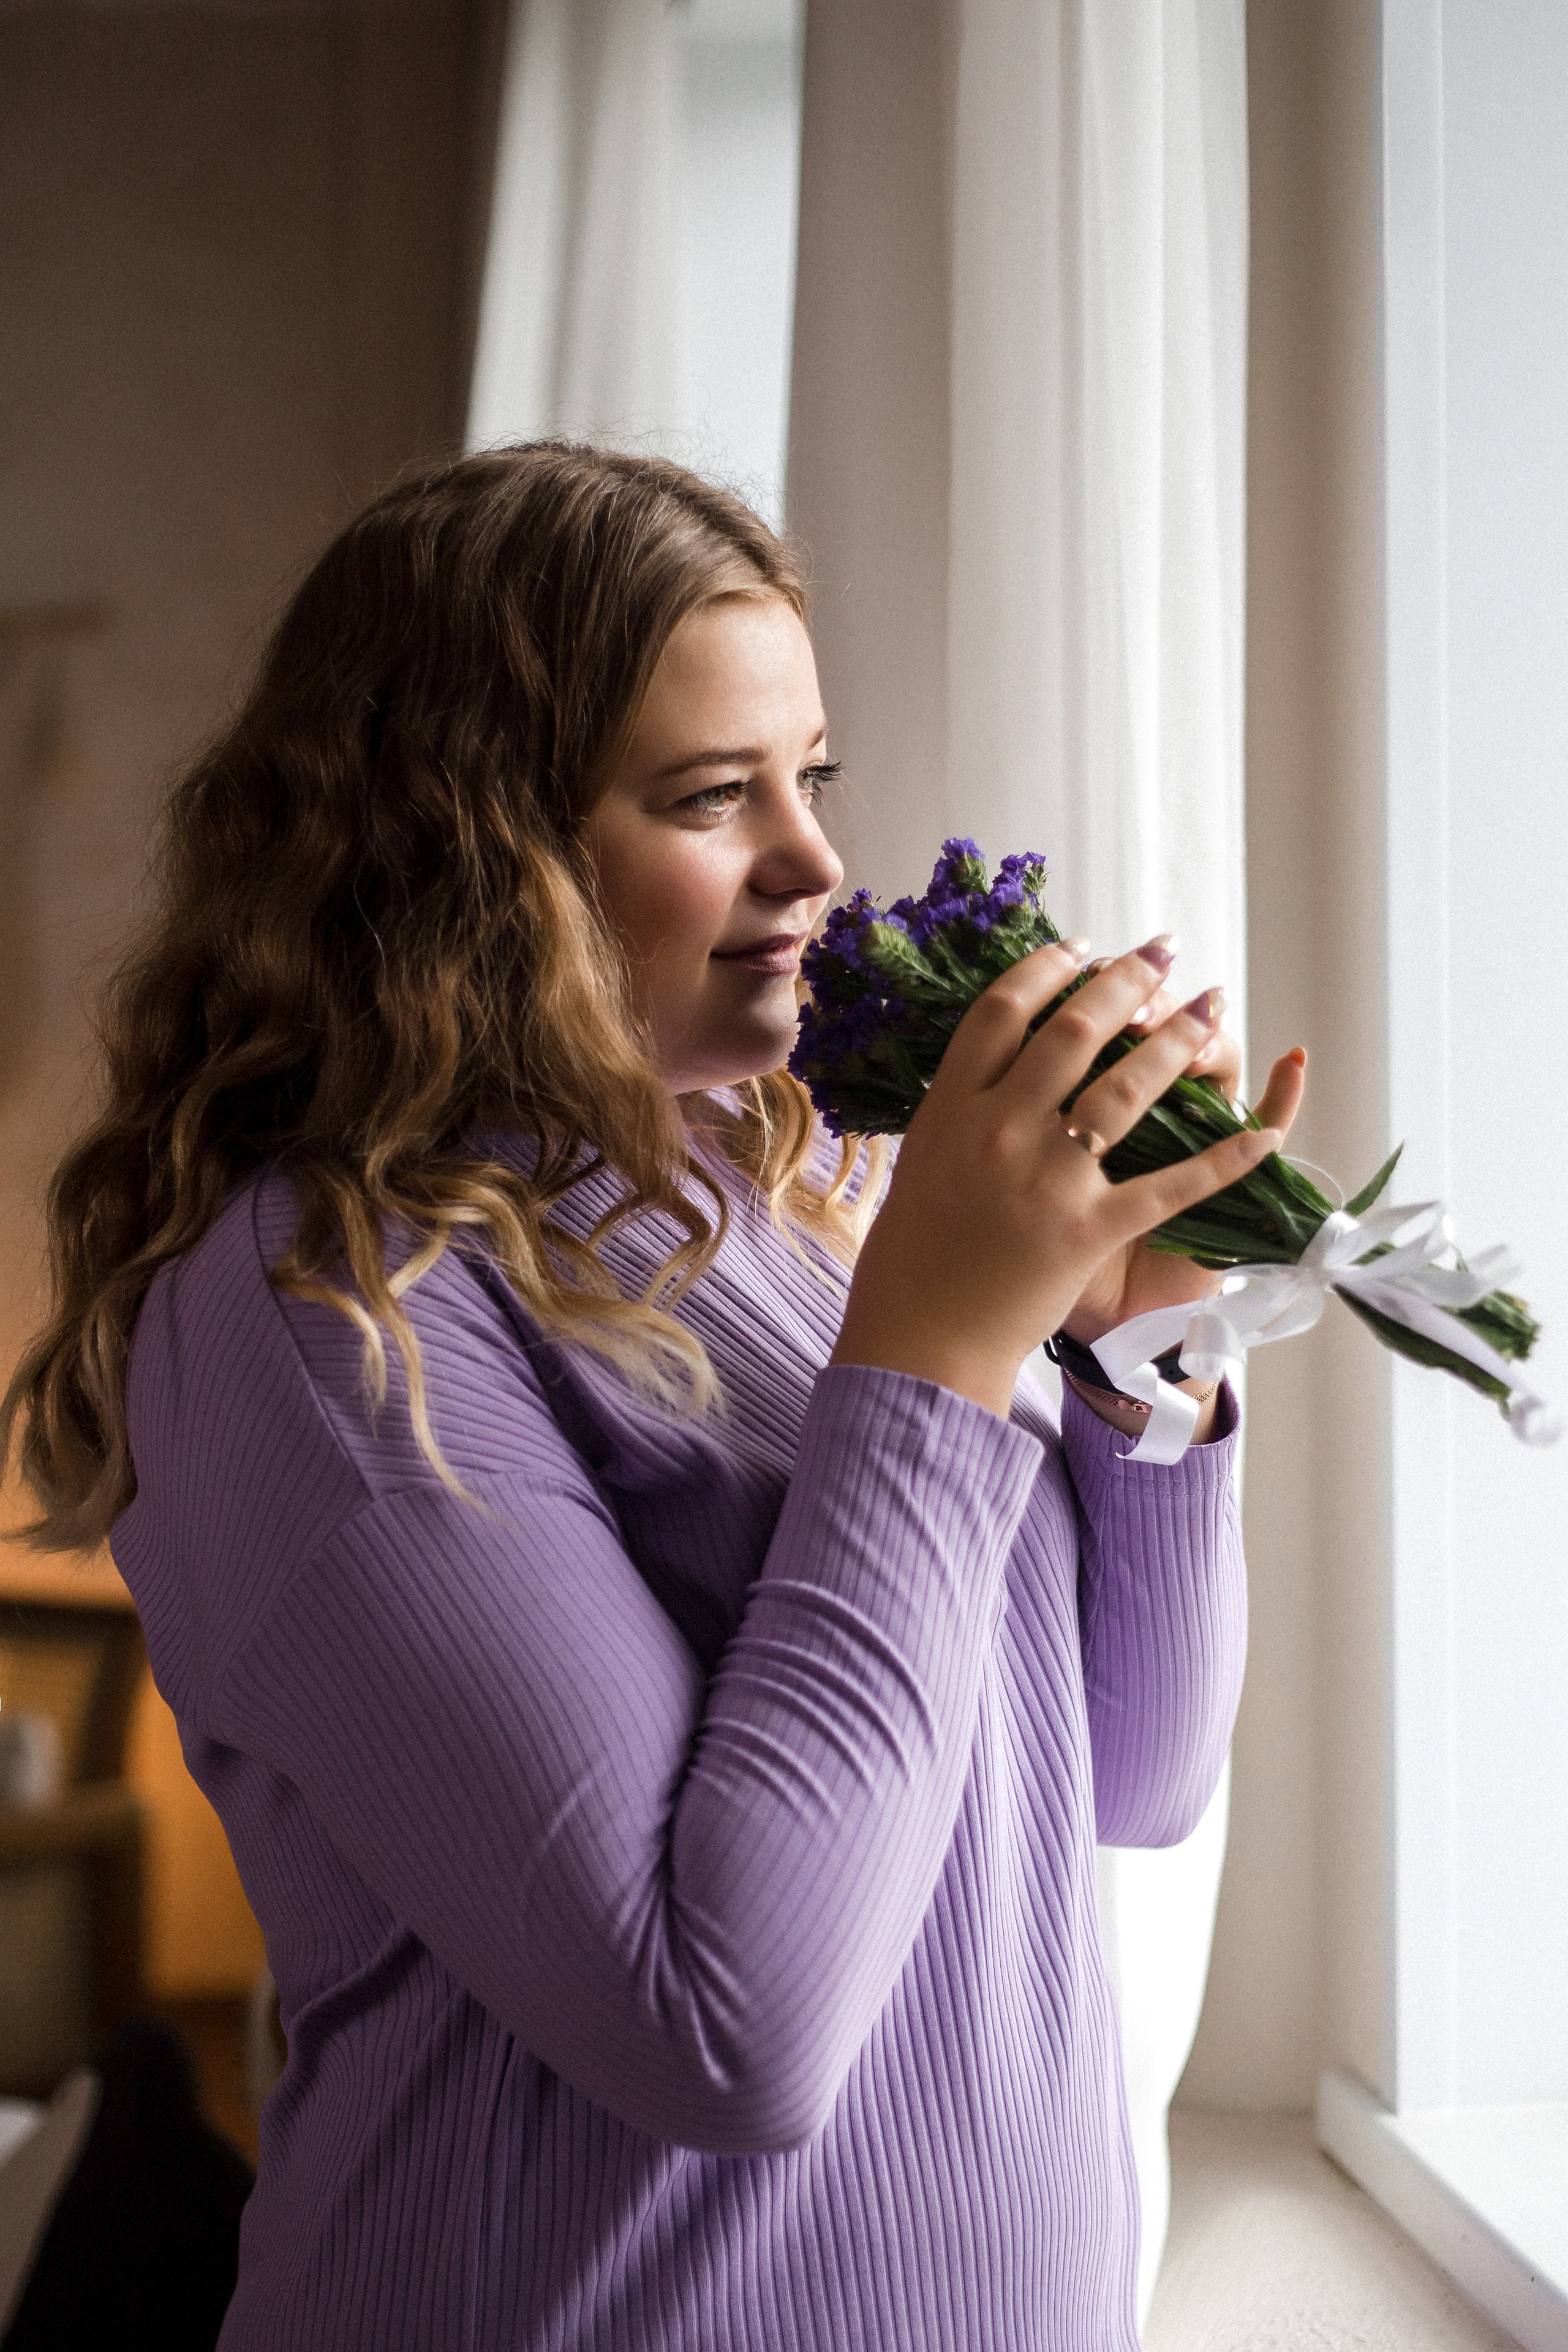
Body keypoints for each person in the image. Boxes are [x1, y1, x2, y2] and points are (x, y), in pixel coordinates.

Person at [2, 444, 1305, 2351]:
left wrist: (1142, 1345)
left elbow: (1124, 1772)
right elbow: (729, 2026)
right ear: (467, 853)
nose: (814, 864)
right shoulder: (318, 1311)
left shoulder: (790, 1193)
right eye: (713, 798)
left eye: (815, 778)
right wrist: (938, 1356)